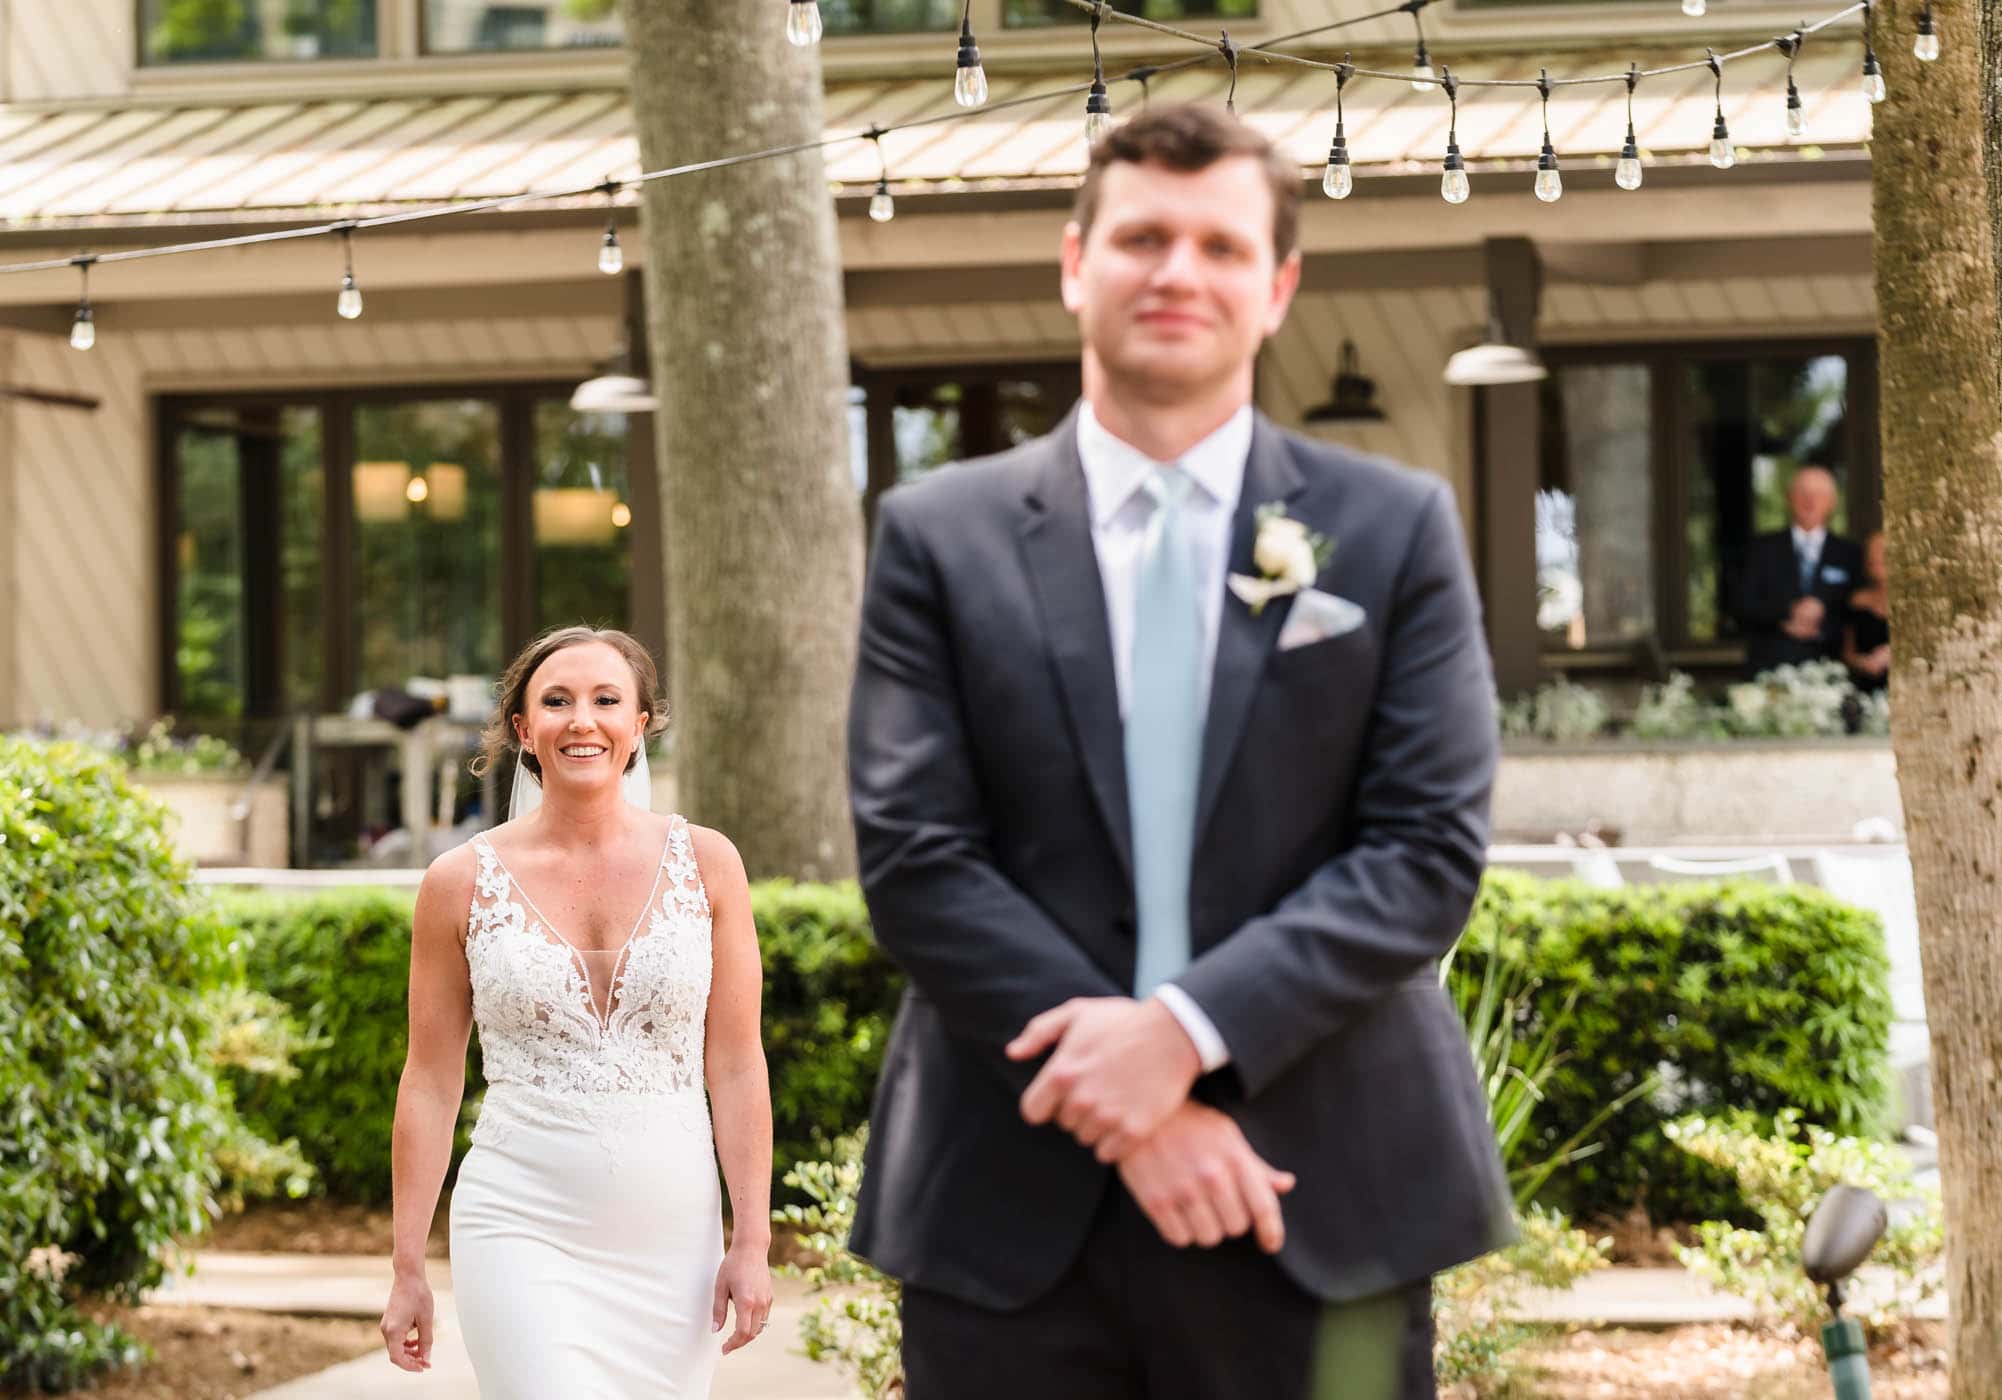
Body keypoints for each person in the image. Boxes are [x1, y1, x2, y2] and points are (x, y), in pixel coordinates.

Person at [846, 103, 1509, 1400]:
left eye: (1218, 243)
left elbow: (1424, 851)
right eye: (1143, 235)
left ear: (1279, 287)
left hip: (1319, 1194)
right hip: (1005, 1212)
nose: (1177, 272)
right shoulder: (937, 533)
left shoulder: (1394, 527)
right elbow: (915, 854)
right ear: (1073, 263)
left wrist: (1185, 1037)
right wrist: (1137, 1102)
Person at [382, 626, 773, 1395]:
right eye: (555, 702)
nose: (581, 720)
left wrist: (752, 1240)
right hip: (519, 1223)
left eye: (606, 700)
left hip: (673, 1241)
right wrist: (406, 1269)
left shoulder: (711, 864)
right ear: (525, 731)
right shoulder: (459, 881)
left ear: (641, 724)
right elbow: (429, 1083)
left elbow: (734, 1065)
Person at [1736, 464, 1864, 678]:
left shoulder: (1850, 554)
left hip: (1833, 671)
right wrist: (1788, 612)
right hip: (1770, 670)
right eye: (1802, 493)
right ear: (1789, 498)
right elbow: (1740, 605)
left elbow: (1859, 612)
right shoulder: (1761, 548)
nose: (1810, 501)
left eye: (1819, 495)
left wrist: (1822, 616)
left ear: (1832, 502)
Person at [1842, 530, 1891, 692]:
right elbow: (1847, 653)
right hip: (1866, 689)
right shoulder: (1856, 601)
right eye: (1872, 554)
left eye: (1882, 552)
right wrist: (1863, 663)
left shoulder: (1914, 603)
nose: (1876, 558)